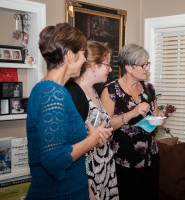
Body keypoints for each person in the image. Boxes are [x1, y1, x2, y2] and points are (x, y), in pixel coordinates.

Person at [26, 23, 112, 200]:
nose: (84, 61)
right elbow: (55, 160)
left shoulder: (55, 90)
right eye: (82, 54)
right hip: (58, 194)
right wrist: (93, 139)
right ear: (70, 56)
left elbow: (61, 141)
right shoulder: (52, 94)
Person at [101, 43, 165, 200]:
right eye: (143, 65)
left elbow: (155, 114)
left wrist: (159, 118)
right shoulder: (110, 90)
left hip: (151, 157)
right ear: (129, 67)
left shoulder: (149, 88)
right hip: (124, 160)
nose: (147, 68)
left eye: (147, 64)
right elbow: (106, 125)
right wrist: (132, 113)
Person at [65, 40, 119, 200]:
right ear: (93, 66)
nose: (110, 69)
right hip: (87, 174)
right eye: (107, 64)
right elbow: (70, 145)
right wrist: (87, 191)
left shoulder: (95, 91)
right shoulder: (74, 94)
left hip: (104, 170)